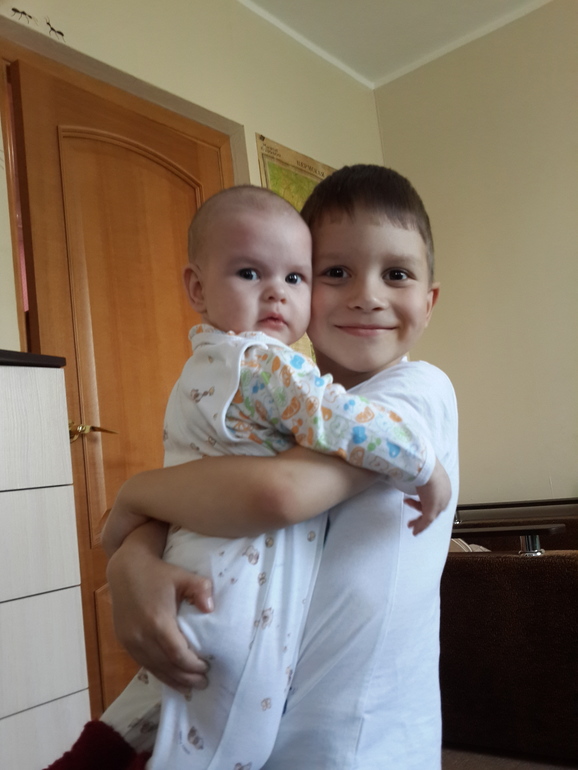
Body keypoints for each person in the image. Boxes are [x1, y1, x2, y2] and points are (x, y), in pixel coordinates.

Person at [46, 165, 458, 770]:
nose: (367, 295)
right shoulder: (272, 396)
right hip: (269, 723)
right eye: (334, 272)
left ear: (429, 301)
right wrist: (135, 557)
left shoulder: (414, 393)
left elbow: (276, 494)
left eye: (396, 274)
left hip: (362, 744)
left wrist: (134, 498)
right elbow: (206, 491)